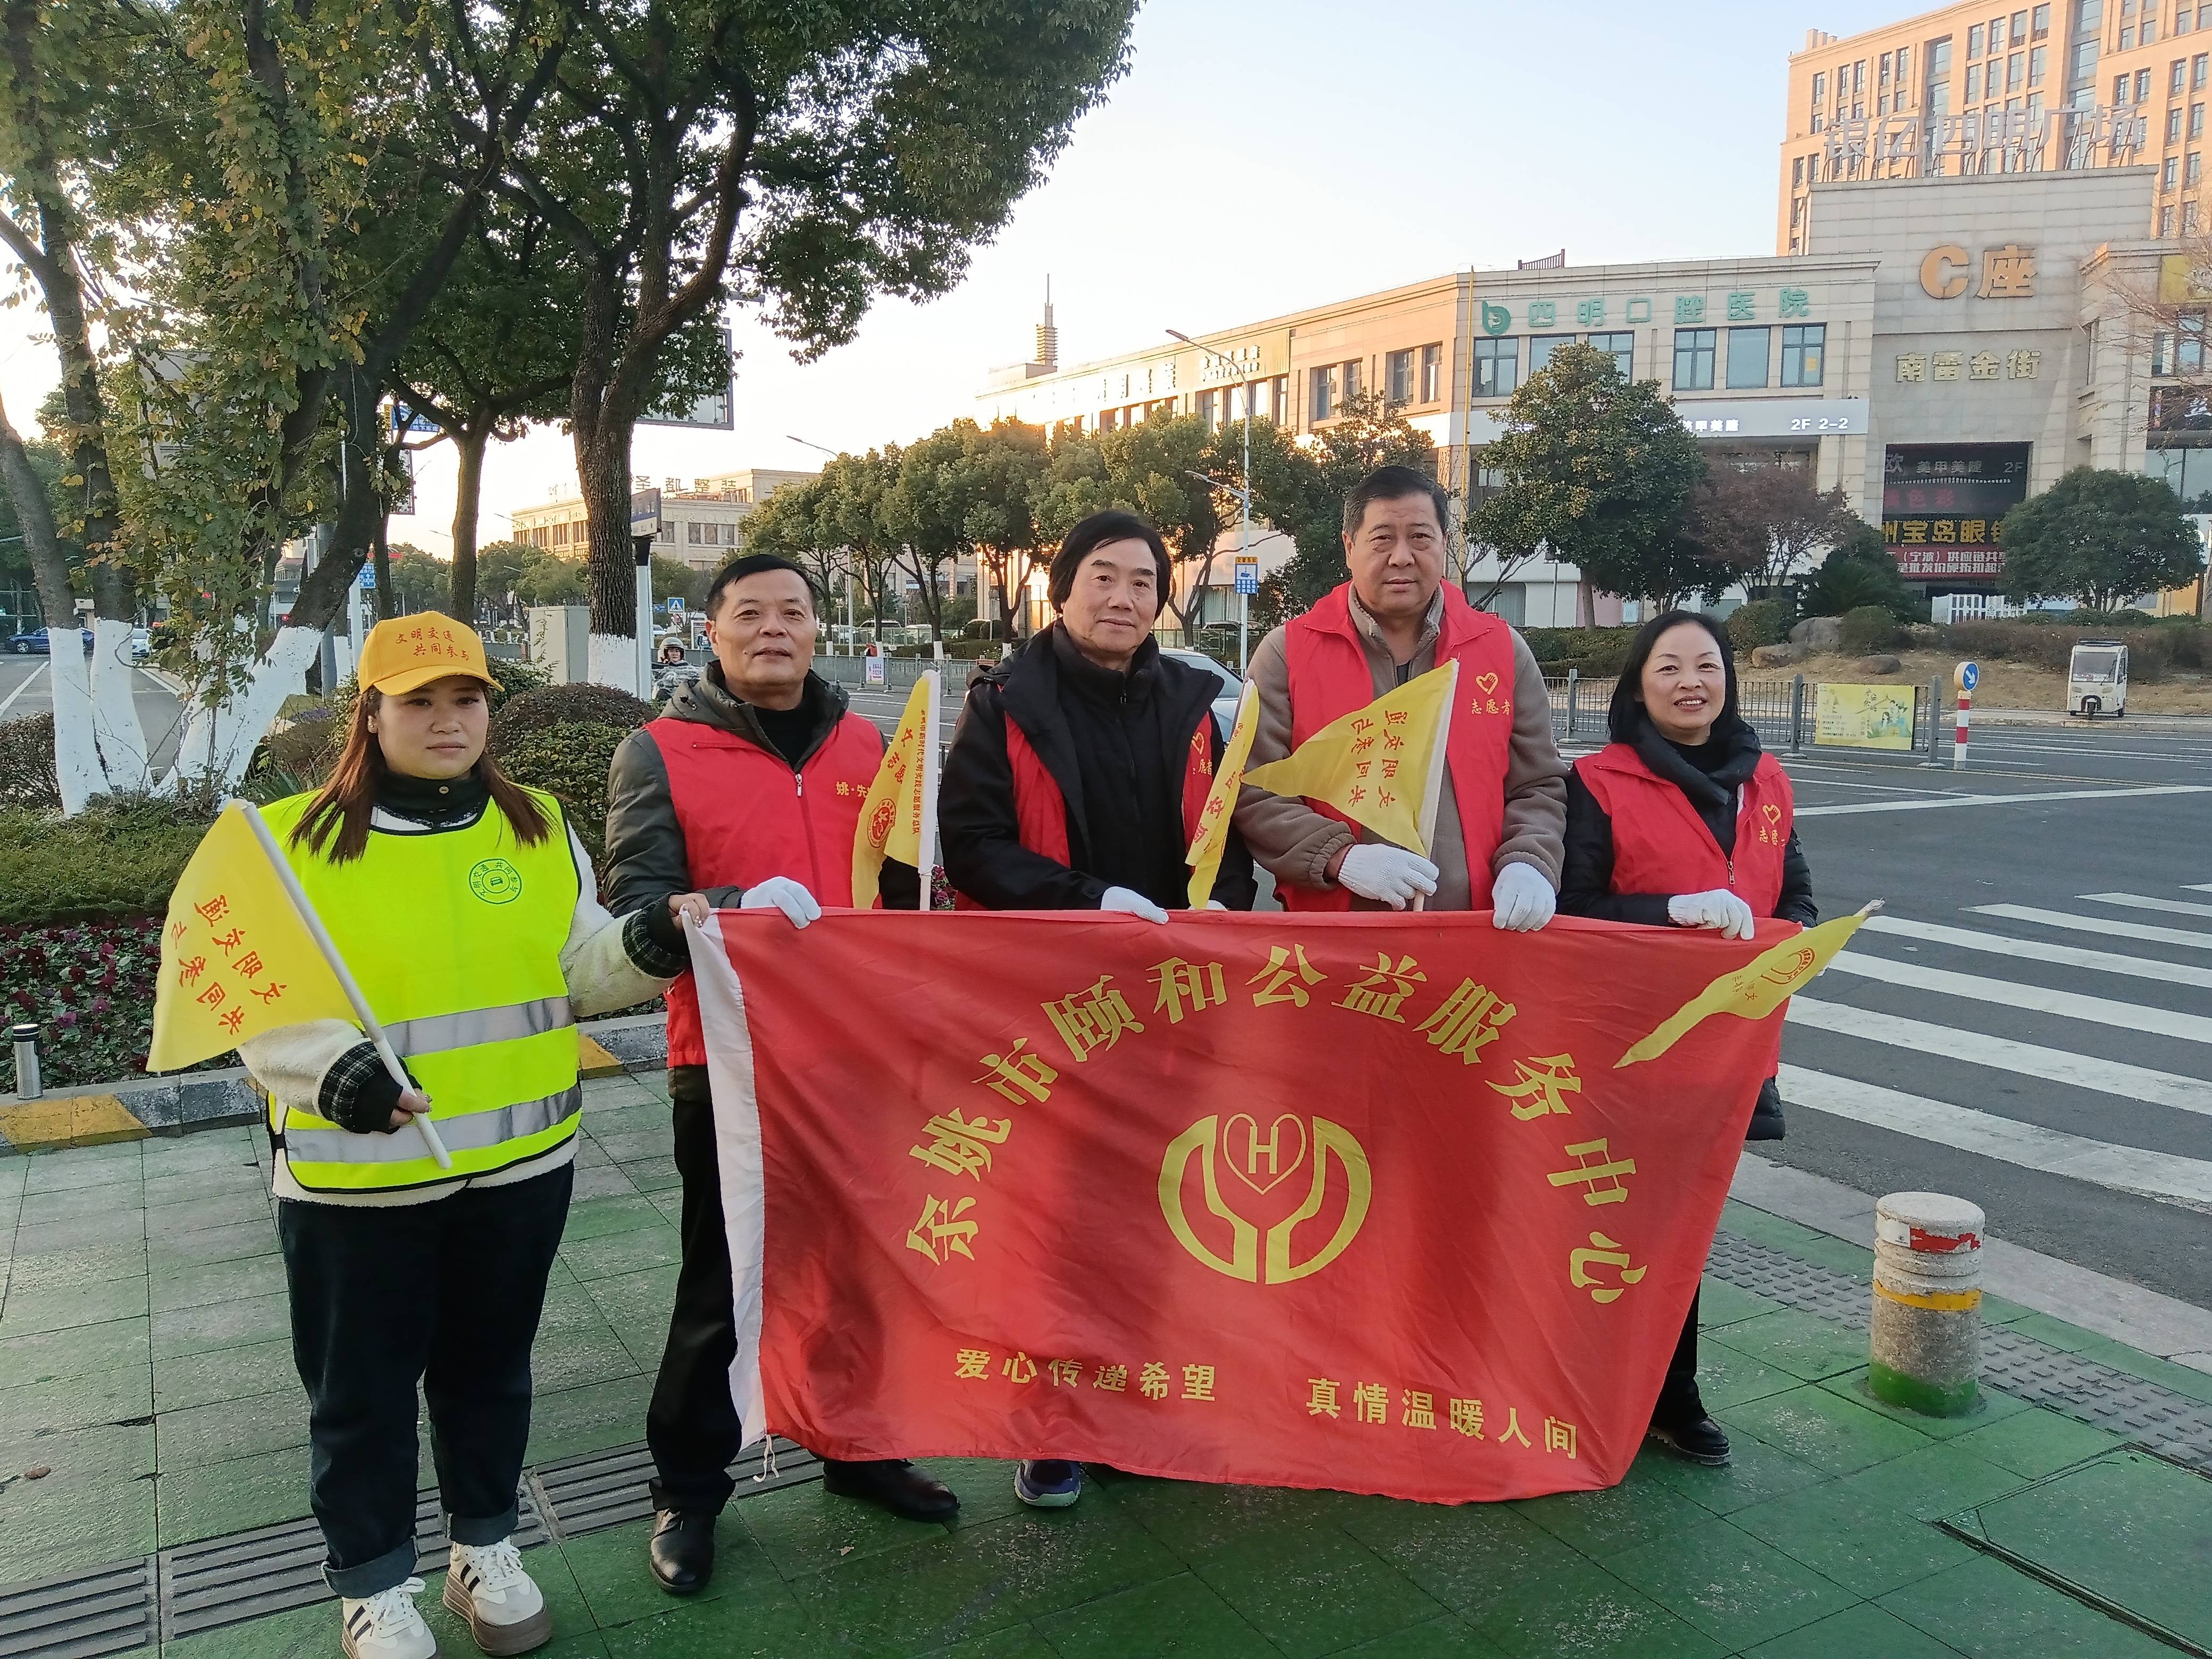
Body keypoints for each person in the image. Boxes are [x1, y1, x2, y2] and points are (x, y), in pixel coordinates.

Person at [239, 614, 694, 1659]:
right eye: (420, 702)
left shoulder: (537, 825)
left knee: (490, 1375)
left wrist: (653, 937)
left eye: (467, 699)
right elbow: (251, 998)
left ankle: (484, 1550)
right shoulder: (289, 841)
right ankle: (373, 1586)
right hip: (357, 1182)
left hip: (521, 1169)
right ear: (371, 714)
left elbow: (577, 970)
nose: (447, 721)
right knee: (361, 1397)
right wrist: (339, 1074)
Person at [602, 552, 956, 1596]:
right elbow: (638, 904)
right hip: (726, 1059)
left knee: (861, 1267)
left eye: (792, 613)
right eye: (749, 613)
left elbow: (907, 887)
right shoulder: (658, 751)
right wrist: (732, 904)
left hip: (859, 1055)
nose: (773, 629)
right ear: (709, 633)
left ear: (816, 630)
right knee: (724, 1281)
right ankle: (686, 1490)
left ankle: (858, 1447)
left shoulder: (866, 744)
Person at [939, 509, 1256, 1507]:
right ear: (1062, 588)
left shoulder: (1197, 705)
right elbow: (973, 847)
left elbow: (1228, 833)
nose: (1123, 598)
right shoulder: (1003, 702)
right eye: (1103, 578)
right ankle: (1054, 1423)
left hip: (1169, 1005)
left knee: (1162, 1207)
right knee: (1056, 1219)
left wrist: (1220, 912)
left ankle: (1139, 1401)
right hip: (1055, 1008)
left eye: (1142, 581)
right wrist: (1090, 902)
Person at [1557, 608, 1815, 1467]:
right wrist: (1673, 913)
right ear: (1637, 687)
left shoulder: (1764, 779)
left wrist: (1794, 936)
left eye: (1706, 665)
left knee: (1686, 1226)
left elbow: (1794, 886)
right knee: (1617, 1230)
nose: (1690, 683)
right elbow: (1574, 908)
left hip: (1730, 1047)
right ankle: (1600, 1386)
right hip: (1632, 1050)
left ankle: (1669, 1396)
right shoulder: (1598, 782)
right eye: (1667, 667)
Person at [1235, 465, 1566, 921]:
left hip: (1474, 928)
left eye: (1420, 538)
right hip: (1334, 934)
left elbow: (1538, 786)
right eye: (1382, 539)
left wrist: (1528, 863)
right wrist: (1339, 857)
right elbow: (1253, 788)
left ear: (1445, 543)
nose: (1402, 557)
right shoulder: (1288, 653)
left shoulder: (1501, 651)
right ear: (1349, 547)